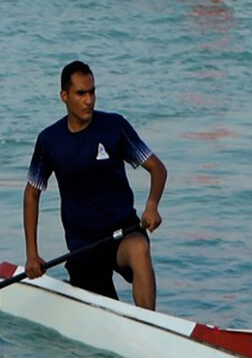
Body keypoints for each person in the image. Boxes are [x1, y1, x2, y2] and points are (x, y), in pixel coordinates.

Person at [24, 60, 167, 309]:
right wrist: (32, 255)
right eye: (81, 93)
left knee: (139, 250)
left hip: (123, 231)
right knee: (102, 307)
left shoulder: (115, 127)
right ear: (64, 96)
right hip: (83, 245)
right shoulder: (49, 141)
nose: (89, 100)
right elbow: (31, 195)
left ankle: (148, 322)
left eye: (92, 92)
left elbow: (157, 169)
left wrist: (152, 205)